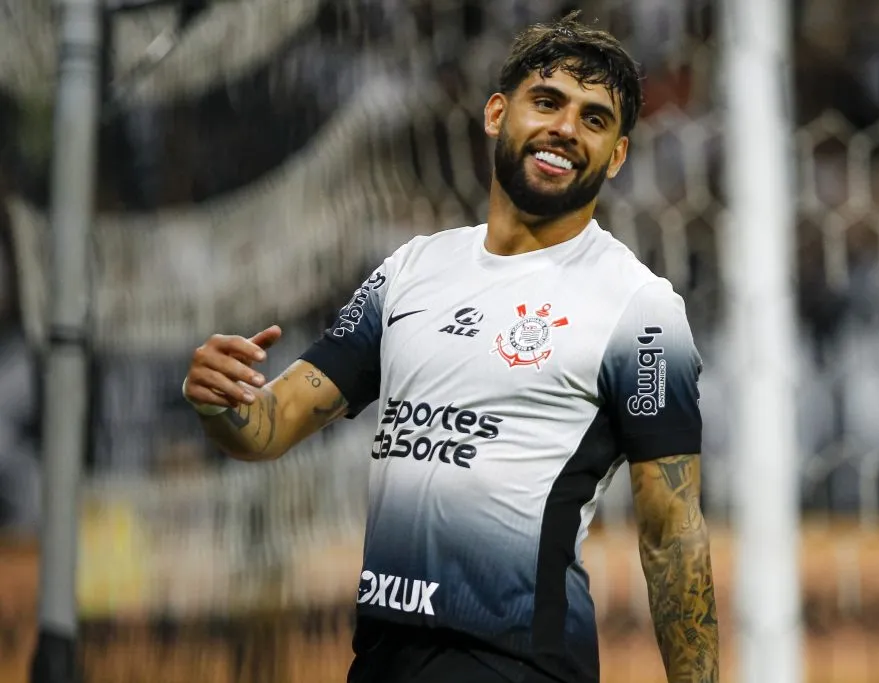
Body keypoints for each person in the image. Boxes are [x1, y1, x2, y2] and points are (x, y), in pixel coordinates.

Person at [182, 12, 718, 683]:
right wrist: (217, 401)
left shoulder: (640, 310)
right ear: (497, 113)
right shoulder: (412, 269)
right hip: (380, 658)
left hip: (516, 663)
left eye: (594, 118)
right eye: (547, 102)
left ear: (616, 155)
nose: (565, 129)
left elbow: (673, 536)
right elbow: (268, 427)